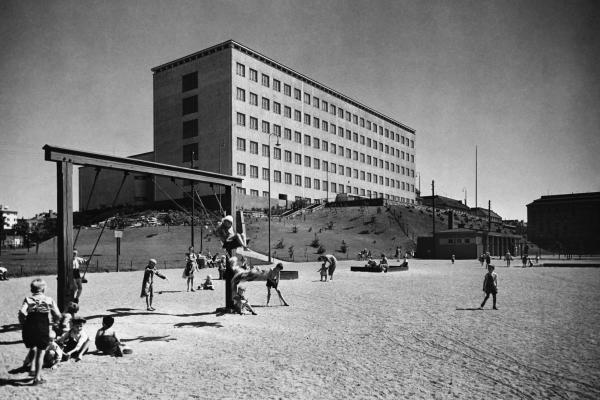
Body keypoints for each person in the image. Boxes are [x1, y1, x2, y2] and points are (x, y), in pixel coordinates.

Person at [18, 278, 62, 385]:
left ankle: (31, 368)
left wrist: (23, 323)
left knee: (33, 347)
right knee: (41, 351)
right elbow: (57, 314)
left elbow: (22, 312)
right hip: (42, 325)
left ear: (32, 289)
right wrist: (56, 321)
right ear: (43, 289)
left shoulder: (28, 299)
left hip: (29, 325)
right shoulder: (49, 299)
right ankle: (37, 377)